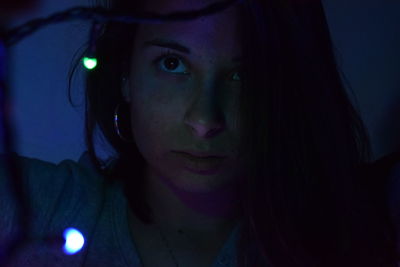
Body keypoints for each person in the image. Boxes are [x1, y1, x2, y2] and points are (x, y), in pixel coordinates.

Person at [0, 0, 398, 266]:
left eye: (245, 74)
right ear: (125, 74)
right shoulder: (36, 212)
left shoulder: (358, 229)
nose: (205, 120)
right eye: (172, 64)